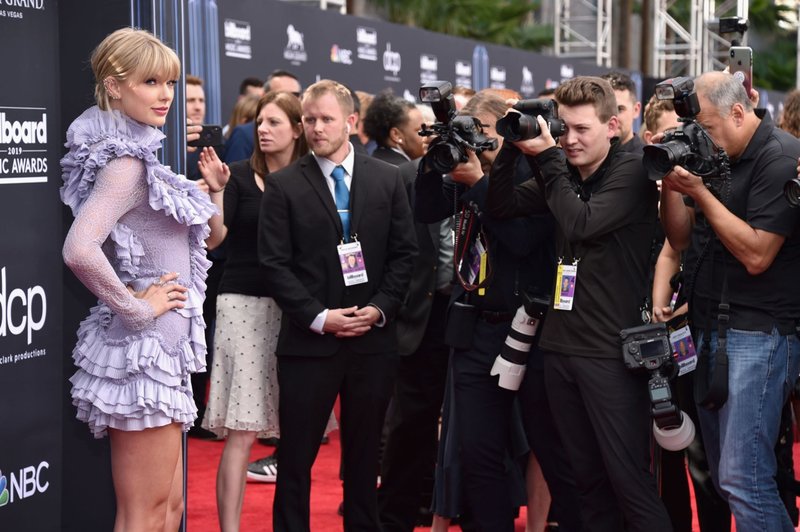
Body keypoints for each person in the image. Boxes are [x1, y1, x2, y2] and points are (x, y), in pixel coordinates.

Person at [486, 76, 671, 531]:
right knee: (586, 484)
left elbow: (581, 222)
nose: (569, 140)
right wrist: (514, 143)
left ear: (612, 125)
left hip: (611, 355)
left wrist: (547, 158)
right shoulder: (562, 173)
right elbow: (502, 205)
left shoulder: (632, 171)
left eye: (581, 129)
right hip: (561, 349)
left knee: (629, 482)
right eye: (562, 128)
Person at [60, 28, 217, 531]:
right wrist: (137, 307)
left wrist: (213, 194)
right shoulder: (125, 166)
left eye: (169, 82)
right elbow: (79, 250)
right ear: (114, 86)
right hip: (143, 357)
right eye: (151, 82)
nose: (166, 95)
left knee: (167, 509)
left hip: (162, 355)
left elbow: (201, 246)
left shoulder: (141, 158)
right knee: (145, 514)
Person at [415, 90, 580, 532]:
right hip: (473, 329)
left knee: (549, 448)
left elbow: (522, 240)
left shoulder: (542, 174)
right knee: (478, 453)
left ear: (508, 133)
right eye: (466, 131)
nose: (473, 141)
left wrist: (479, 185)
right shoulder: (465, 170)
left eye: (481, 131)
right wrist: (434, 160)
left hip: (531, 333)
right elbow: (425, 208)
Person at [258, 79, 417, 532]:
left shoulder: (388, 178)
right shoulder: (284, 185)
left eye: (326, 118)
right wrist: (320, 317)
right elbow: (274, 265)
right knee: (295, 459)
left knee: (366, 459)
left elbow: (406, 254)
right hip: (309, 345)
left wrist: (381, 308)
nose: (315, 127)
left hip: (373, 341)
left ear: (352, 122)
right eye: (309, 119)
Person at [660, 70, 800, 531]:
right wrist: (669, 181)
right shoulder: (714, 154)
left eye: (709, 128)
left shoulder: (780, 156)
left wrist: (700, 191)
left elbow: (758, 254)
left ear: (739, 112)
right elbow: (679, 237)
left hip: (759, 334)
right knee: (725, 478)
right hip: (708, 328)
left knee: (745, 477)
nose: (702, 139)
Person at [196, 91, 308, 531]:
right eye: (260, 121)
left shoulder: (311, 180)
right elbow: (214, 240)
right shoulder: (238, 176)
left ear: (297, 130)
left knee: (294, 429)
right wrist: (218, 193)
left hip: (295, 309)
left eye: (274, 122)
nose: (262, 129)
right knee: (241, 432)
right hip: (242, 305)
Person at [224, 70, 301, 163]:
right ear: (264, 96)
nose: (262, 129)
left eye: (295, 95)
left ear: (297, 130)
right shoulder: (244, 135)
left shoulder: (308, 135)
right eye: (281, 95)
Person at [363, 91, 426, 165]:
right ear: (396, 135)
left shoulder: (372, 161)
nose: (426, 136)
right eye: (420, 130)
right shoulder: (406, 173)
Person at [601, 71, 644, 154]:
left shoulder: (646, 162)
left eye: (619, 109)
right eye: (605, 109)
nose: (612, 118)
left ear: (636, 110)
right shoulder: (582, 159)